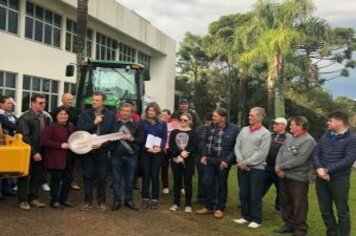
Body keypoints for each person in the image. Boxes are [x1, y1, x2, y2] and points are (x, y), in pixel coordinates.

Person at [313, 111, 356, 236]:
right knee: (325, 210)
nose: (328, 123)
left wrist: (327, 170)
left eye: (330, 120)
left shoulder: (352, 138)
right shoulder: (326, 135)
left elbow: (348, 160)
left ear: (340, 122)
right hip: (321, 178)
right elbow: (316, 153)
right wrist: (319, 168)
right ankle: (332, 233)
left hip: (339, 180)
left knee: (342, 212)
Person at [274, 116, 316, 236]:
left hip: (298, 179)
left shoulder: (309, 141)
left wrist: (281, 167)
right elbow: (281, 152)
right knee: (285, 202)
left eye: (292, 125)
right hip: (284, 176)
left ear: (300, 126)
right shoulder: (290, 138)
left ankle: (300, 229)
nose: (290, 126)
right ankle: (288, 224)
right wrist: (278, 166)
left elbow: (300, 159)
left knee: (299, 205)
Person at [196, 107, 239, 219]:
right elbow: (204, 142)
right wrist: (204, 154)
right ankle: (208, 206)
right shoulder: (210, 127)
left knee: (221, 184)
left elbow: (236, 147)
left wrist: (227, 161)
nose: (213, 118)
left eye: (215, 116)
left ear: (223, 117)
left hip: (222, 162)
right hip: (209, 160)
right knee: (206, 182)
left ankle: (220, 208)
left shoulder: (234, 129)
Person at [77, 91, 116, 211]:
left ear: (103, 101)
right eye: (93, 100)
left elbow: (113, 135)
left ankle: (101, 202)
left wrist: (102, 144)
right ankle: (87, 201)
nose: (94, 102)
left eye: (97, 100)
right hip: (88, 151)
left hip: (102, 151)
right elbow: (80, 129)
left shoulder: (110, 115)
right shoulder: (86, 114)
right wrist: (94, 122)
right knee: (87, 176)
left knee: (102, 177)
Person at [233, 107, 271, 229]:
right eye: (249, 115)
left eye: (252, 116)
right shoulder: (244, 130)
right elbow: (237, 146)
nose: (249, 117)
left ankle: (256, 219)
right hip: (241, 166)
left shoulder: (265, 133)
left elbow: (262, 153)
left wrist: (246, 163)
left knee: (254, 194)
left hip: (256, 169)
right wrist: (240, 161)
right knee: (243, 193)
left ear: (260, 117)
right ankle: (245, 216)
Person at [16, 94, 52, 210]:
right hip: (28, 152)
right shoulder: (25, 118)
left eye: (44, 103)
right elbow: (25, 137)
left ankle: (34, 198)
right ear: (33, 104)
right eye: (40, 103)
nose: (43, 105)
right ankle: (23, 200)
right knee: (24, 176)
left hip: (42, 151)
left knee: (37, 176)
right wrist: (34, 152)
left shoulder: (45, 117)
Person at [110, 103, 144, 211]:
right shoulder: (114, 124)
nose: (125, 112)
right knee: (116, 180)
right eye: (123, 110)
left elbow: (141, 140)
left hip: (131, 156)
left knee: (129, 180)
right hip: (116, 156)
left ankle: (129, 200)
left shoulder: (137, 125)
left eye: (127, 111)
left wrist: (132, 138)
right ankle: (117, 200)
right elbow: (108, 138)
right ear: (120, 111)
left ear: (131, 113)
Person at [41, 107, 76, 209]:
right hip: (56, 158)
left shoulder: (71, 126)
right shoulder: (50, 127)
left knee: (68, 180)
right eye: (61, 114)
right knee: (56, 180)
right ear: (56, 116)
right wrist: (60, 145)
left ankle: (63, 199)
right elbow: (45, 141)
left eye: (65, 114)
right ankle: (54, 200)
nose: (63, 116)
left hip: (69, 157)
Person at [140, 102, 167, 210]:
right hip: (145, 152)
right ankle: (145, 198)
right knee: (146, 174)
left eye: (153, 110)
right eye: (149, 110)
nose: (151, 112)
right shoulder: (142, 123)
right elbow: (140, 138)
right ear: (146, 112)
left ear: (157, 112)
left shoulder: (162, 123)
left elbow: (165, 137)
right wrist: (147, 148)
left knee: (155, 175)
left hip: (157, 153)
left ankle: (155, 199)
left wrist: (160, 147)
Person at [169, 113, 198, 213]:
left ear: (190, 121)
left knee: (188, 182)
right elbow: (171, 145)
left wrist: (186, 153)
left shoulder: (193, 133)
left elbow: (195, 146)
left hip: (188, 160)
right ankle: (176, 203)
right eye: (181, 119)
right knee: (177, 181)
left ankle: (188, 204)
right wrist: (180, 153)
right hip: (176, 159)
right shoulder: (174, 132)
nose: (183, 121)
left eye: (185, 120)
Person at [262, 117, 292, 211]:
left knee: (281, 189)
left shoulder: (289, 137)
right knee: (260, 186)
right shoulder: (270, 135)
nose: (274, 125)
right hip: (267, 167)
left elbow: (289, 154)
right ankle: (254, 202)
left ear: (283, 126)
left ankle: (279, 207)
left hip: (280, 168)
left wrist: (282, 167)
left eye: (276, 124)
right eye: (273, 123)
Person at [54, 93, 81, 191]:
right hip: (60, 140)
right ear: (63, 100)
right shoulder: (56, 110)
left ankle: (71, 181)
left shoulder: (77, 111)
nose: (70, 101)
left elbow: (79, 124)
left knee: (72, 162)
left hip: (73, 138)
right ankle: (60, 180)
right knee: (60, 162)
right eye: (68, 99)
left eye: (71, 99)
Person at [0, 95, 18, 200]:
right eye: (8, 103)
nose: (11, 105)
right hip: (2, 145)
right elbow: (12, 126)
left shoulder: (11, 115)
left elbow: (17, 123)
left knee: (8, 167)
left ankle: (7, 189)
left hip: (11, 145)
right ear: (1, 104)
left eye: (11, 103)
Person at [195, 112, 213, 203]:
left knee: (210, 177)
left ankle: (210, 196)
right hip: (199, 155)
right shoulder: (199, 129)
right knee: (201, 176)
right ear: (205, 120)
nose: (209, 122)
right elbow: (196, 142)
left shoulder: (214, 130)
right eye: (208, 120)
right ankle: (200, 195)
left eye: (211, 121)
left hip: (210, 156)